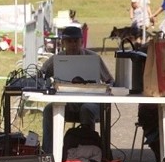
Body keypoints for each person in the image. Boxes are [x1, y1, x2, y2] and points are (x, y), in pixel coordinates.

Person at [40, 25, 114, 154]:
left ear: (81, 42)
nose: (73, 44)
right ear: (63, 43)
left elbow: (110, 80)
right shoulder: (56, 59)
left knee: (87, 109)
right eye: (69, 41)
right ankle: (48, 153)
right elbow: (39, 75)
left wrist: (106, 89)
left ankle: (88, 152)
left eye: (76, 41)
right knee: (49, 110)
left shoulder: (93, 58)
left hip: (91, 103)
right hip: (66, 103)